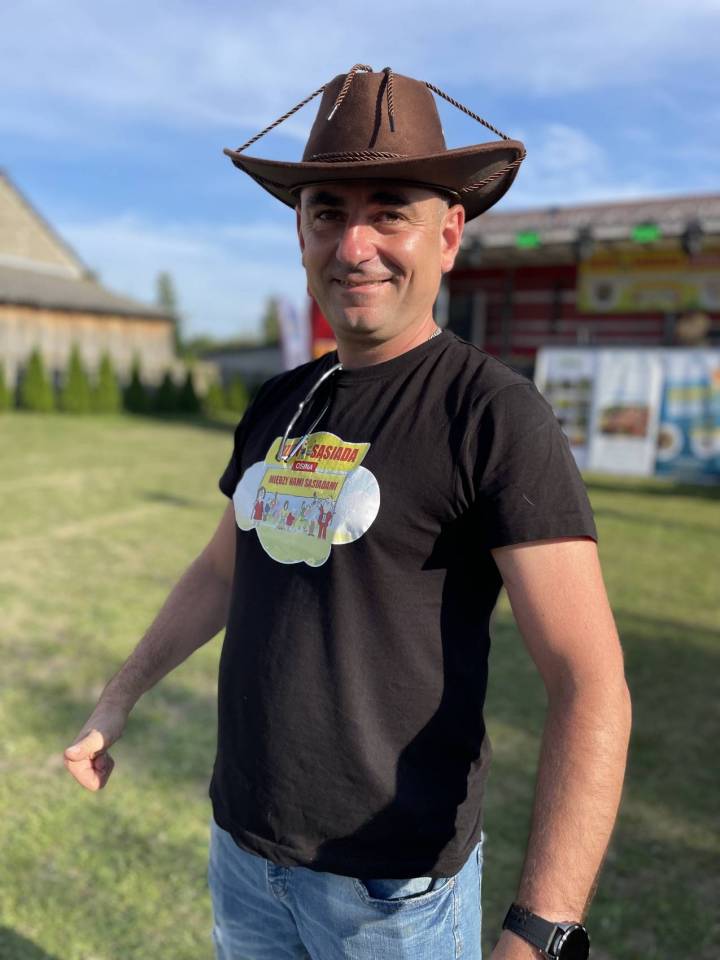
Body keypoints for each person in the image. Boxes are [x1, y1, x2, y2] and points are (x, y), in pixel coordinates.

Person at [64, 65, 632, 960]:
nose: (354, 244)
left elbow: (589, 682)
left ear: (449, 235)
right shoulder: (281, 399)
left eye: (390, 212)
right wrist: (119, 694)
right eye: (327, 212)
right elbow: (221, 569)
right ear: (300, 234)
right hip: (244, 851)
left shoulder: (492, 414)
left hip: (390, 896)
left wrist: (541, 931)